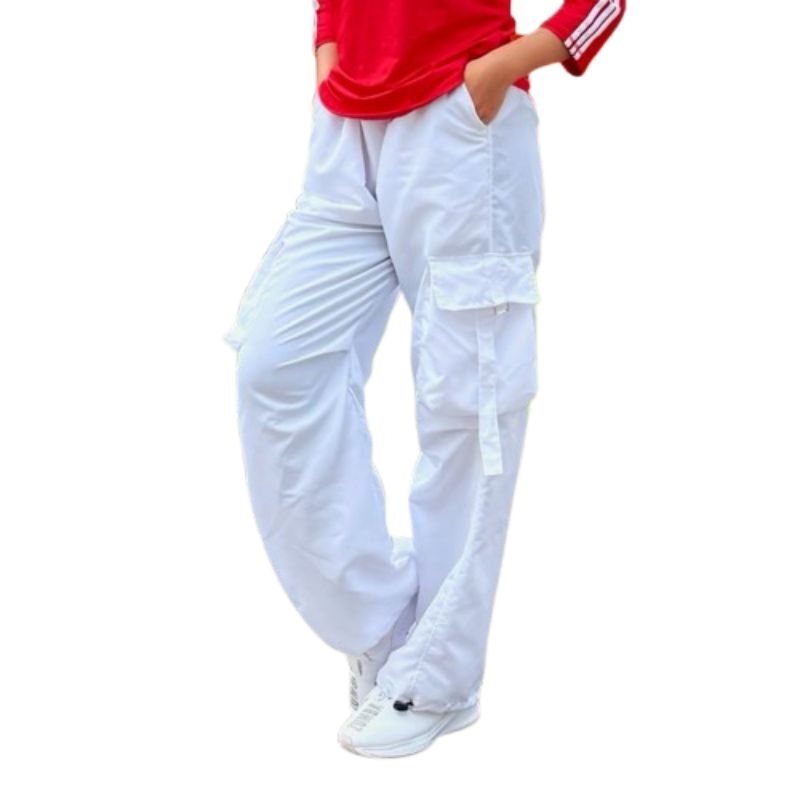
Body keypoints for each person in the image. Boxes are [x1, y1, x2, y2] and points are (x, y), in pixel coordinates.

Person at [223, 0, 625, 758]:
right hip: (347, 126)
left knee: (469, 408)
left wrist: (501, 70)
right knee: (275, 365)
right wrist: (330, 56)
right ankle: (380, 626)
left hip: (459, 125)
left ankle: (438, 680)